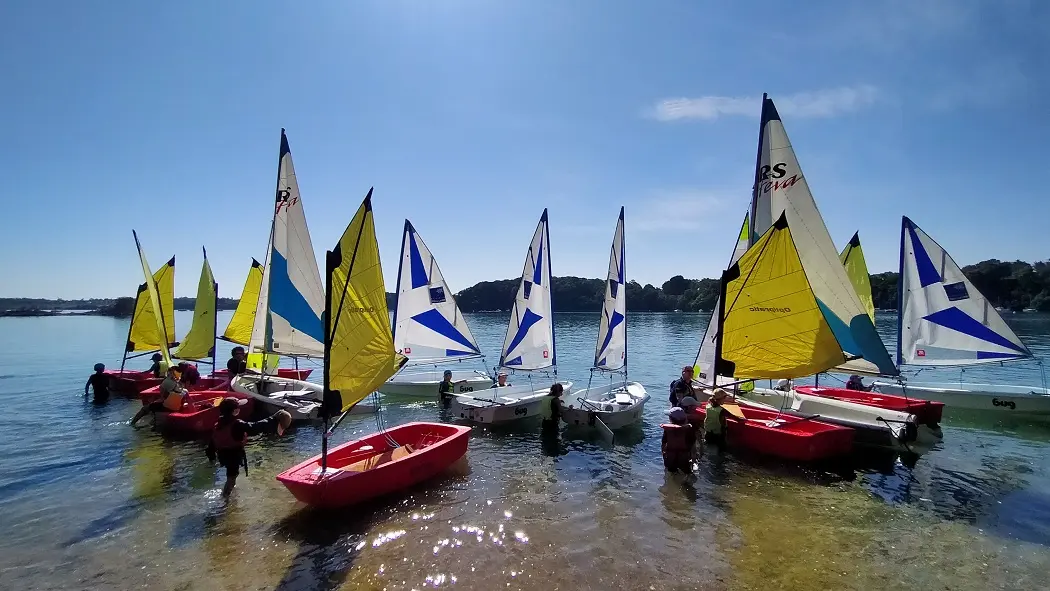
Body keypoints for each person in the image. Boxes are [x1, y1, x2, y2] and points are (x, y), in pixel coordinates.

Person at [206, 398, 292, 497]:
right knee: (232, 478)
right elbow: (255, 427)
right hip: (233, 454)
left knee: (231, 475)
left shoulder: (219, 423)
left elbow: (213, 441)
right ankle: (225, 500)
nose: (239, 409)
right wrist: (273, 419)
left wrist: (211, 457)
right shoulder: (237, 424)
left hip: (223, 454)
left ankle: (230, 494)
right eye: (238, 408)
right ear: (234, 411)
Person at [703, 388, 742, 453]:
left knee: (710, 451)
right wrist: (742, 420)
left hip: (708, 434)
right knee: (721, 453)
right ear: (720, 399)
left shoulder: (708, 405)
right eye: (724, 398)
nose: (725, 399)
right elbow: (735, 418)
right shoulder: (722, 411)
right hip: (718, 437)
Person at [661, 407, 696, 474]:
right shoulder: (688, 430)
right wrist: (693, 460)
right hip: (684, 457)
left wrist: (664, 456)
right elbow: (693, 446)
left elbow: (663, 444)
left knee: (671, 475)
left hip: (670, 456)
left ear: (671, 419)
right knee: (688, 474)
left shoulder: (668, 430)